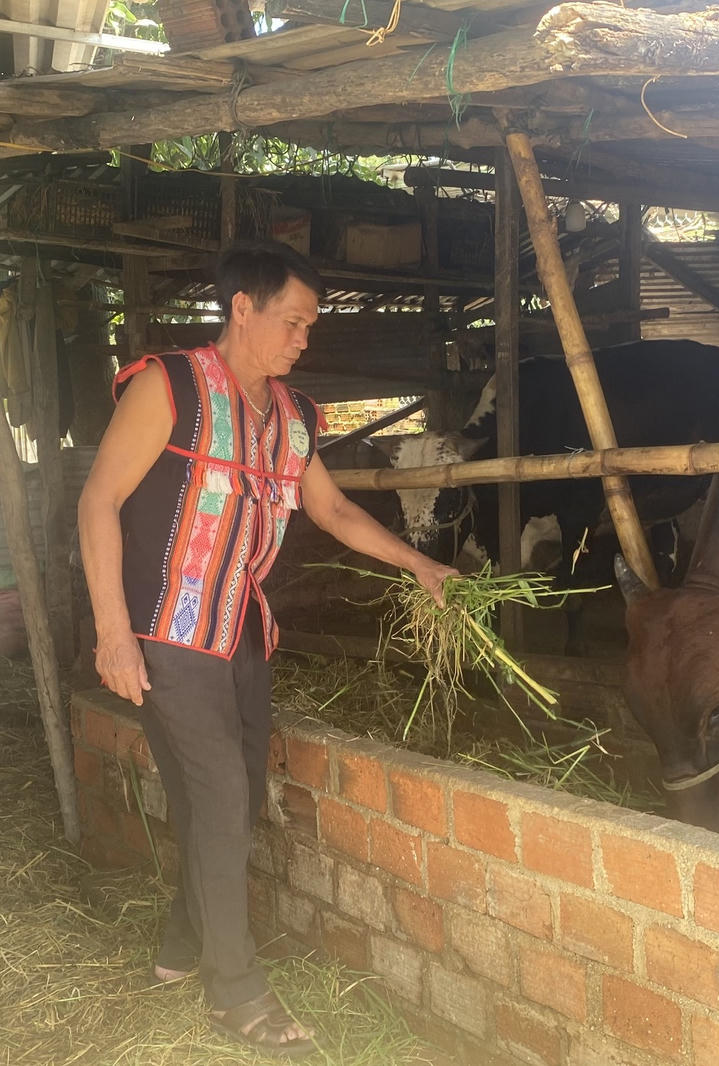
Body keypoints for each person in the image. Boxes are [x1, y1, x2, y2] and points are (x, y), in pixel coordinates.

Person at [78, 241, 455, 1058]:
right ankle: (236, 992)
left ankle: (185, 942)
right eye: (292, 321)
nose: (302, 340)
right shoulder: (168, 385)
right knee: (218, 798)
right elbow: (99, 499)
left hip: (243, 637)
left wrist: (420, 563)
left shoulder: (293, 416)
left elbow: (334, 512)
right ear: (241, 309)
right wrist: (113, 633)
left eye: (310, 327)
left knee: (236, 799)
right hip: (167, 633)